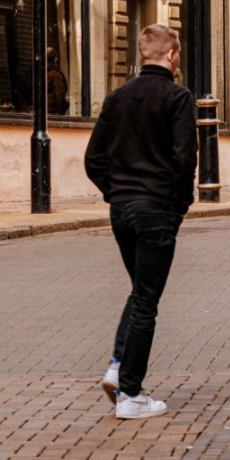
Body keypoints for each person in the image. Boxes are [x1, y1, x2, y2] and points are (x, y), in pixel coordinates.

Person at [84, 23, 196, 421]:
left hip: (122, 210)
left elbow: (93, 159)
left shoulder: (117, 98)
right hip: (156, 209)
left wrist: (115, 192)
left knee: (139, 292)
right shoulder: (178, 98)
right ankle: (131, 393)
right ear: (171, 56)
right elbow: (185, 159)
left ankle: (118, 366)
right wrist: (178, 204)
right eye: (177, 55)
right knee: (147, 300)